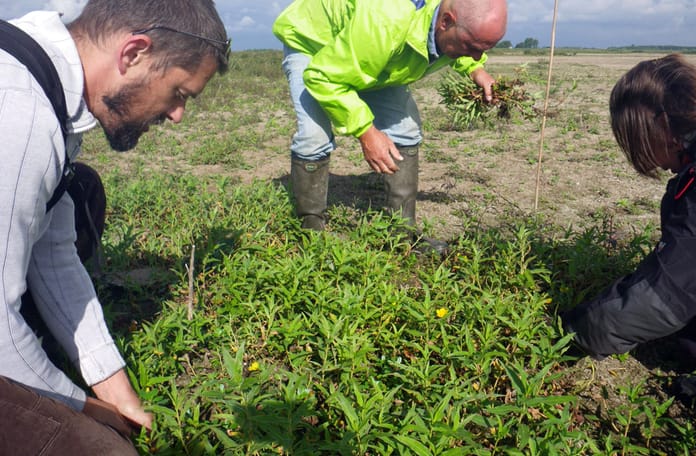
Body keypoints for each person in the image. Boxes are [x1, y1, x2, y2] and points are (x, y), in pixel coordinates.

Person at [0, 0, 229, 453]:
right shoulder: (19, 113)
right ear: (134, 53)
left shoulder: (49, 82)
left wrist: (114, 389)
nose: (178, 115)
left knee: (78, 189)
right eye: (180, 93)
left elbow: (54, 254)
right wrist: (85, 411)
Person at [561, 54, 696, 384]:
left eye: (639, 142)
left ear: (662, 124)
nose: (657, 166)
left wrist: (568, 334)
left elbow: (673, 288)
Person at [272, 0, 508, 249]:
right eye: (471, 47)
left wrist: (475, 70)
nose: (477, 55)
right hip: (314, 43)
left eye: (484, 49)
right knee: (313, 138)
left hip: (371, 52)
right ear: (445, 21)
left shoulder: (438, 20)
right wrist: (366, 132)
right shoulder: (385, 21)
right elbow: (324, 77)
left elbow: (446, 43)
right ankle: (311, 236)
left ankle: (402, 236)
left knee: (405, 131)